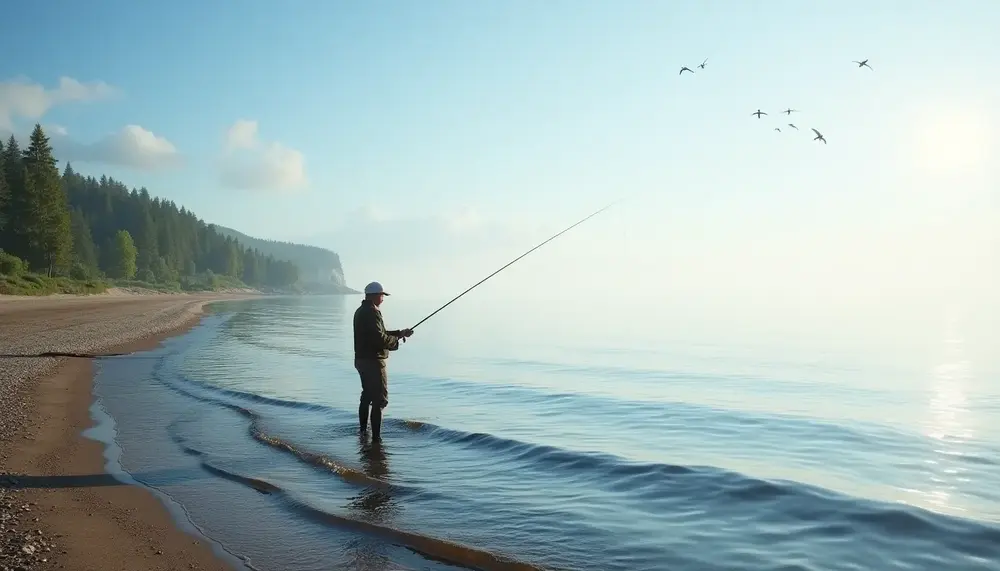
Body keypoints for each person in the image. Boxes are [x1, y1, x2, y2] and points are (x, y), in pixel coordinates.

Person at [353, 281, 413, 441]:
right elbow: (379, 338)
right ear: (374, 296)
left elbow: (378, 333)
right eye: (382, 295)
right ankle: (376, 439)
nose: (383, 299)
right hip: (373, 361)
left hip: (361, 359)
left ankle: (363, 432)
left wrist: (399, 333)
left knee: (367, 396)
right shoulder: (372, 312)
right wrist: (395, 341)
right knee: (379, 399)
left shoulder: (361, 311)